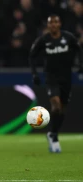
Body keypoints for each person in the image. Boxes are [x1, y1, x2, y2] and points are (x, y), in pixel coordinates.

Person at [29, 15, 83, 153]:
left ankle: (52, 133)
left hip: (66, 79)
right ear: (48, 25)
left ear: (60, 24)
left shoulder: (68, 38)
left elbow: (78, 49)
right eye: (50, 22)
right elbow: (32, 56)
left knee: (63, 110)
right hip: (51, 78)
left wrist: (81, 65)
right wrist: (34, 73)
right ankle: (53, 136)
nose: (53, 25)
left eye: (56, 22)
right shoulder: (44, 40)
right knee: (56, 105)